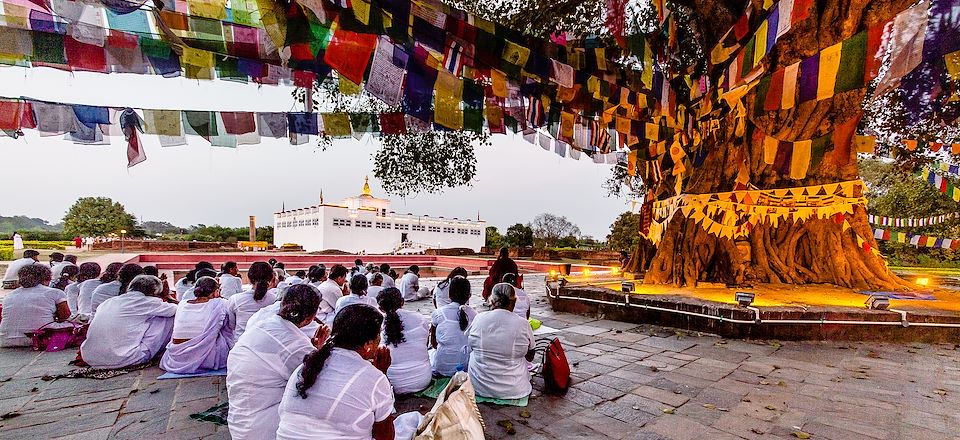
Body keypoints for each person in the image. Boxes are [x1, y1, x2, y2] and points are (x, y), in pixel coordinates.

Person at [276, 304, 399, 440]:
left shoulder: (305, 367)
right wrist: (382, 375)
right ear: (368, 344)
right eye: (378, 334)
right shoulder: (374, 378)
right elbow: (385, 436)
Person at [227, 285, 330, 440]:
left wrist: (314, 351)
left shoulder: (261, 324)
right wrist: (317, 352)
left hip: (239, 422)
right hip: (265, 428)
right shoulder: (296, 346)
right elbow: (321, 385)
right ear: (312, 317)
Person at [80, 275, 178, 368]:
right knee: (168, 317)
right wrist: (168, 297)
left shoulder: (108, 302)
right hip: (123, 359)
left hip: (90, 358)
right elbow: (179, 310)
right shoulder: (146, 301)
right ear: (153, 292)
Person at [465, 283, 535, 400]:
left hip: (479, 387)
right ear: (514, 302)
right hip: (515, 389)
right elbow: (530, 356)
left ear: (492, 301)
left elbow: (470, 346)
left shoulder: (479, 318)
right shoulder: (523, 323)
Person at [160, 277, 234, 374]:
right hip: (207, 358)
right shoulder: (220, 303)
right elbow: (231, 325)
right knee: (227, 327)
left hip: (176, 358)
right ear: (216, 292)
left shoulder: (182, 303)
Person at [0, 264, 71, 347]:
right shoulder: (55, 292)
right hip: (39, 338)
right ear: (46, 278)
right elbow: (65, 317)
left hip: (5, 339)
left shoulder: (9, 295)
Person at [377, 287, 431, 394]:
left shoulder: (378, 324)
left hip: (392, 383)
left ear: (381, 308)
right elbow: (426, 344)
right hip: (423, 380)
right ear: (402, 301)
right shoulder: (420, 318)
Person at [429, 277, 477, 376]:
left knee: (430, 353)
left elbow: (433, 343)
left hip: (443, 368)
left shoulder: (439, 313)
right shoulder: (475, 315)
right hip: (467, 367)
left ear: (449, 294)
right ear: (469, 295)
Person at [227, 262, 279, 340]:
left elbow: (231, 325)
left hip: (241, 343)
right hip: (267, 343)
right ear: (272, 277)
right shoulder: (275, 300)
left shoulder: (235, 299)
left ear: (249, 278)